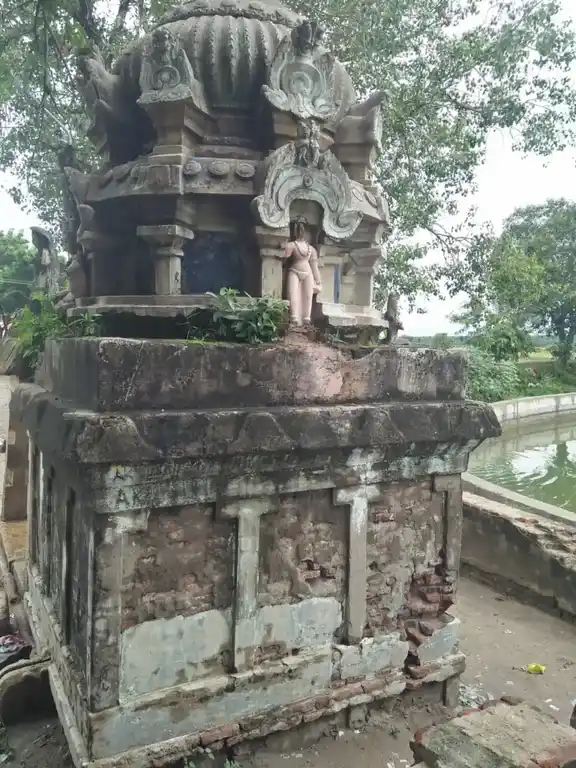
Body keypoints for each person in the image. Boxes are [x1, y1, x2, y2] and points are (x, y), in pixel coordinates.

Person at [281, 221, 322, 326]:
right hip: (294, 270)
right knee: (292, 294)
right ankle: (294, 316)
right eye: (298, 230)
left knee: (308, 296)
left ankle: (306, 318)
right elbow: (283, 258)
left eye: (302, 230)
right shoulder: (291, 245)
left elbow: (314, 266)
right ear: (294, 231)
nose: (300, 232)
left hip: (307, 272)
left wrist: (318, 281)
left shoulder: (311, 249)